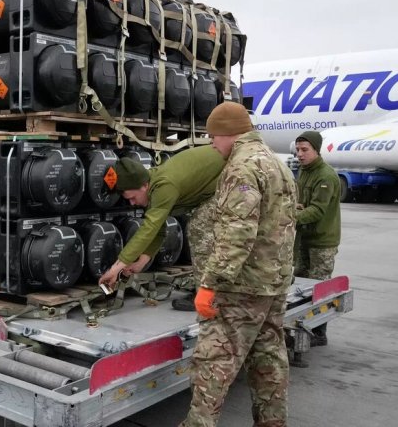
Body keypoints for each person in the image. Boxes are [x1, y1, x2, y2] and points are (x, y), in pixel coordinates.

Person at [180, 102, 297, 427]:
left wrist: (210, 283)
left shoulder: (242, 167)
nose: (212, 144)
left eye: (213, 137)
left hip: (242, 287)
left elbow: (237, 231)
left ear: (228, 133)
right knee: (269, 357)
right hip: (273, 283)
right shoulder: (277, 163)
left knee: (213, 361)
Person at [98, 146, 225, 312]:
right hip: (218, 182)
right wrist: (140, 263)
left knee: (199, 229)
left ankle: (209, 295)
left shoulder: (164, 186)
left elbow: (149, 228)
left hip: (233, 177)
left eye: (132, 197)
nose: (132, 203)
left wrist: (116, 267)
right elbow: (158, 228)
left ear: (143, 186)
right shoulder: (153, 186)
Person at [292, 130, 341, 352]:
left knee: (319, 288)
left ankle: (319, 333)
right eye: (298, 150)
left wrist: (289, 216)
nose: (300, 154)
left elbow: (317, 210)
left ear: (316, 150)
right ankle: (304, 327)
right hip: (304, 237)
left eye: (305, 150)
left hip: (322, 241)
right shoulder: (304, 171)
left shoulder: (326, 176)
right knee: (301, 286)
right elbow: (303, 203)